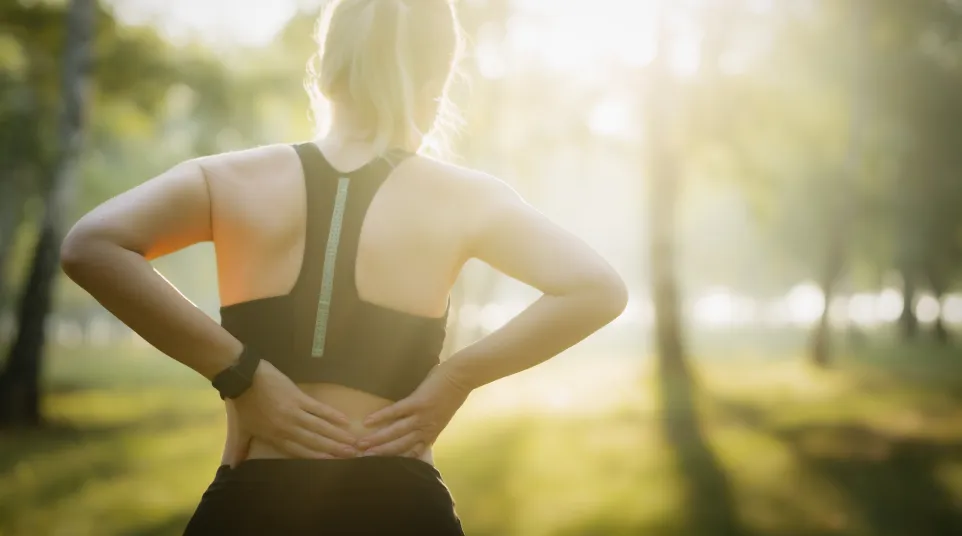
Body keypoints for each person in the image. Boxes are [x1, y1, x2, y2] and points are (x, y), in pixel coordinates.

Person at [60, 0, 628, 534]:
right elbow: (596, 288)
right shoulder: (464, 197)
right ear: (436, 85)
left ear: (326, 70)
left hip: (254, 501)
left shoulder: (229, 180)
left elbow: (92, 246)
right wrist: (455, 379)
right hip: (400, 501)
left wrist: (241, 374)